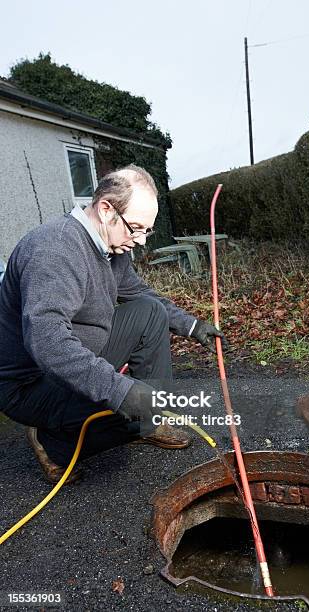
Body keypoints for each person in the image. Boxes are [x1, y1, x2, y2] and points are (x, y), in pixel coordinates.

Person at [0, 164, 226, 484]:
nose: (139, 241)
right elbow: (47, 341)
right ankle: (53, 443)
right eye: (135, 228)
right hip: (30, 383)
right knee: (125, 409)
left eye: (145, 231)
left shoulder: (111, 247)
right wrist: (120, 391)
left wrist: (192, 326)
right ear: (106, 209)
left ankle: (148, 419)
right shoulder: (54, 251)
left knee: (148, 312)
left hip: (77, 349)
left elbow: (139, 294)